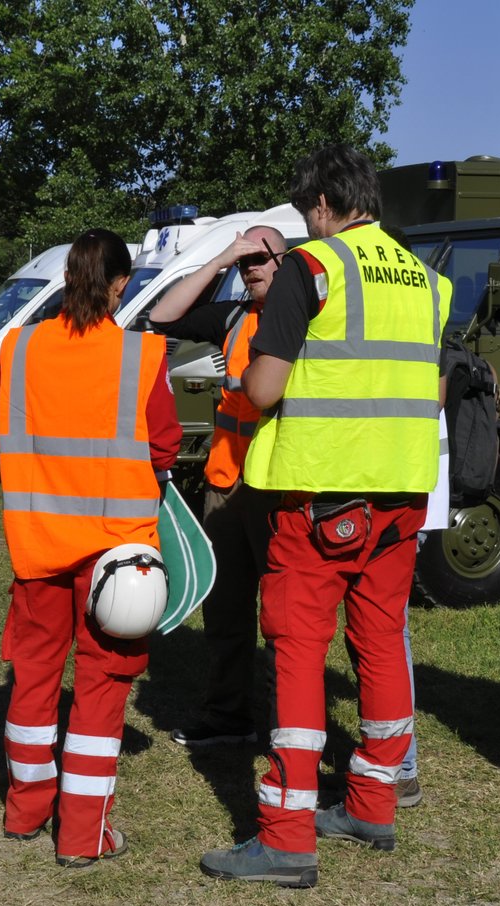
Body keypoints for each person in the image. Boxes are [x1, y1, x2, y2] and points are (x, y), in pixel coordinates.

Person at [199, 145, 450, 888]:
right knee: (378, 645)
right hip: (401, 495)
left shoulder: (313, 269)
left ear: (319, 208)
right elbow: (431, 393)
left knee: (299, 648)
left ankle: (284, 833)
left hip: (318, 498)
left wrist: (243, 377)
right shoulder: (430, 284)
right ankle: (373, 802)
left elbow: (268, 386)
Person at [0, 228, 180, 868]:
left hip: (37, 545)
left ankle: (24, 811)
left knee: (33, 680)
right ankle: (82, 835)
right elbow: (163, 445)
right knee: (100, 693)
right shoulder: (140, 356)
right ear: (121, 285)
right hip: (115, 559)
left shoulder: (18, 348)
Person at [148, 225, 287, 749]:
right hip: (227, 486)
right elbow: (162, 318)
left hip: (280, 487)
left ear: (286, 261)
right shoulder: (234, 316)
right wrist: (221, 257)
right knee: (225, 609)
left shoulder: (308, 318)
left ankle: (286, 725)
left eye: (260, 257)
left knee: (282, 616)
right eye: (244, 260)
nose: (250, 268)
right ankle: (230, 715)